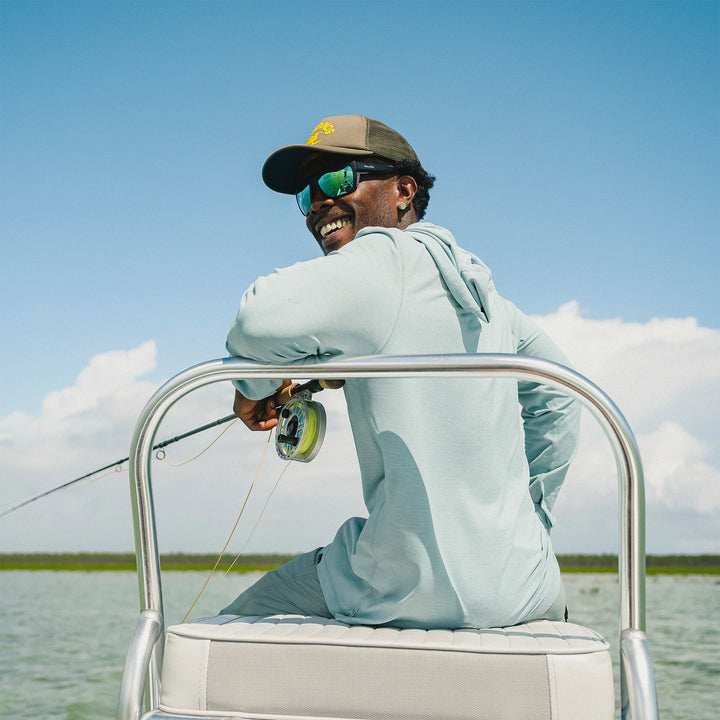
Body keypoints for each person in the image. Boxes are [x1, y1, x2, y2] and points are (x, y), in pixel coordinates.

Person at [221, 115, 580, 629]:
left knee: (234, 620)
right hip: (525, 584)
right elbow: (561, 394)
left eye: (337, 180)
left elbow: (256, 321)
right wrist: (532, 521)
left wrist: (251, 387)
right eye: (307, 195)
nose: (318, 202)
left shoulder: (383, 257)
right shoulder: (492, 303)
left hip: (403, 588)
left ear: (404, 190)